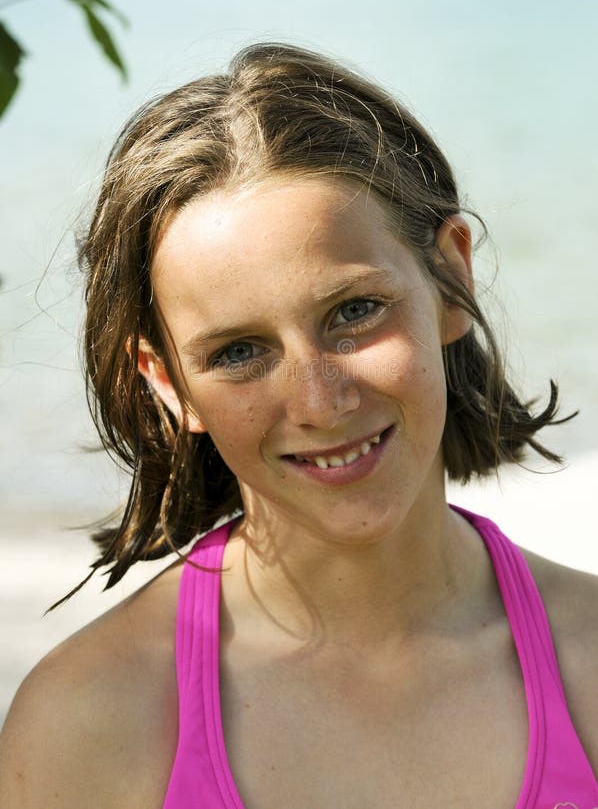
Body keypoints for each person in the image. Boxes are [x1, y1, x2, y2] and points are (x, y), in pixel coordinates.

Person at [1, 42, 597, 808]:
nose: (318, 401)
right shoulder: (87, 724)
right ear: (166, 382)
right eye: (239, 352)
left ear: (450, 276)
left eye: (353, 312)